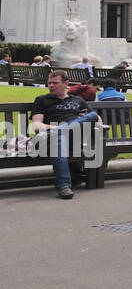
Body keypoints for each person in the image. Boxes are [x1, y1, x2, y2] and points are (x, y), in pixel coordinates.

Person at [29, 70, 100, 199]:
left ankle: (61, 131)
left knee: (93, 115)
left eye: (55, 83)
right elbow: (36, 125)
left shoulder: (78, 100)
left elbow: (97, 120)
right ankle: (64, 185)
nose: (51, 85)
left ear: (65, 83)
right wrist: (57, 128)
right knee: (59, 138)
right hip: (51, 139)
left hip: (75, 138)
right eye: (49, 83)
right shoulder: (42, 100)